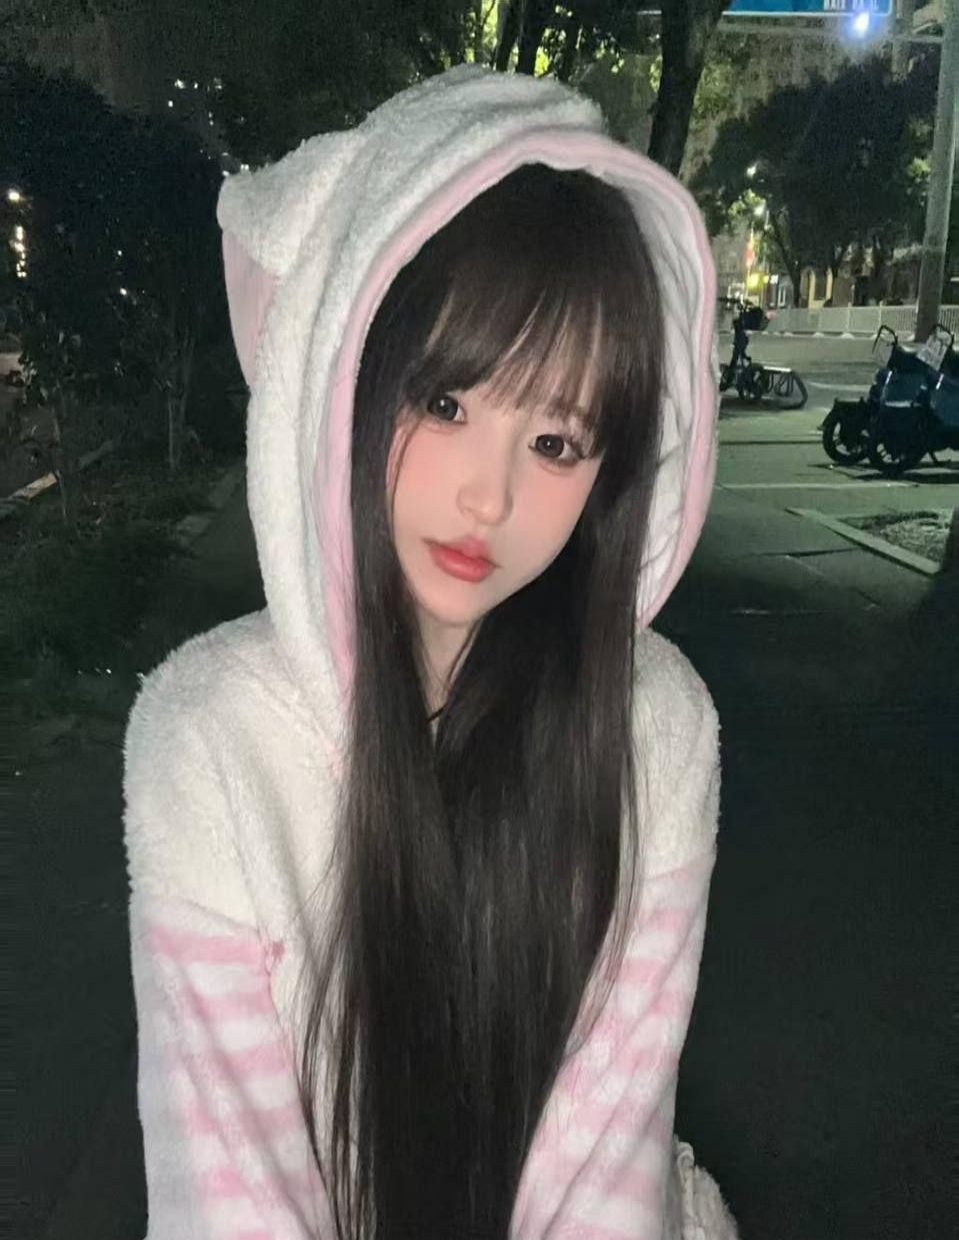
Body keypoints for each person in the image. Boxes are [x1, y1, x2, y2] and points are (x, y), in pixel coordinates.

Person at [123, 65, 737, 1239]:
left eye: (555, 441)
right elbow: (230, 1195)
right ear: (339, 373)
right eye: (446, 403)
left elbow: (604, 1169)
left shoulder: (654, 725)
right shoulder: (210, 740)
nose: (487, 497)